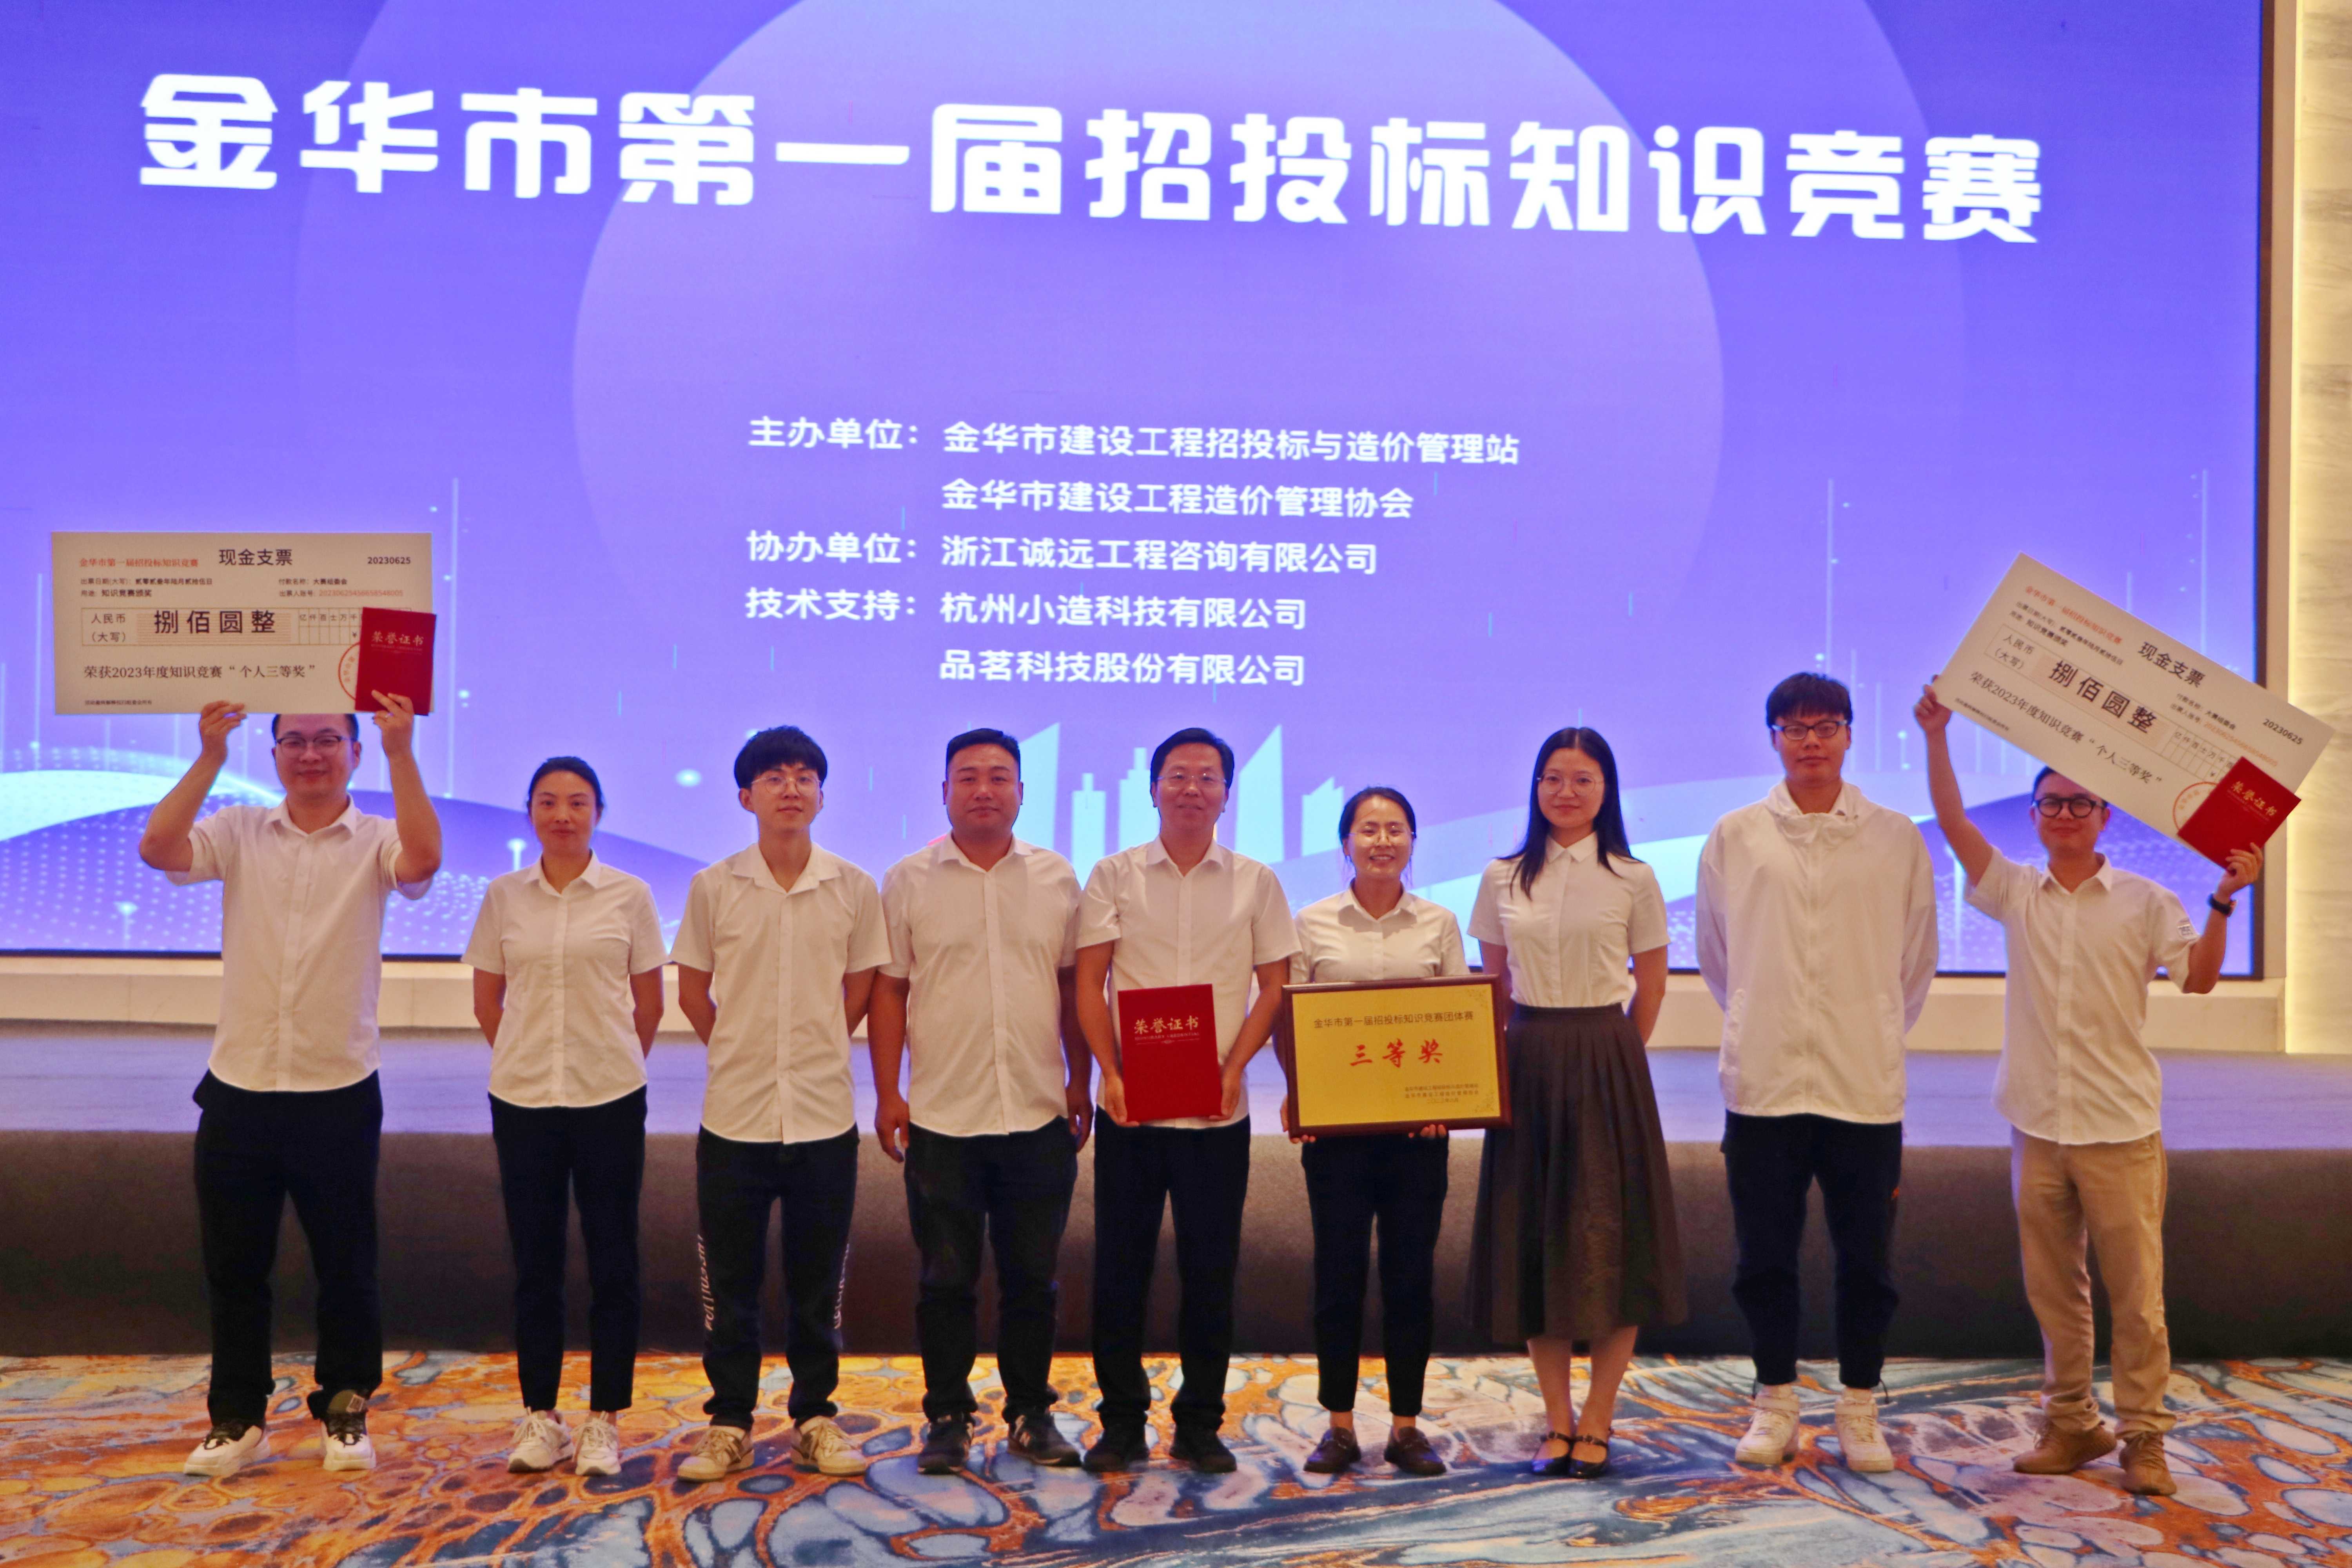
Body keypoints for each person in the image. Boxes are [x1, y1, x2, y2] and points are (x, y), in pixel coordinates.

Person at [1916, 683, 2256, 1497]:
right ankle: (2072, 1423)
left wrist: (2221, 902)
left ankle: (2143, 1436)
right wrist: (1936, 736)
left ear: (2105, 816)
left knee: (2138, 1299)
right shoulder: (2015, 891)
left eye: (2079, 803)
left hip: (2121, 1127)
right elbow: (1955, 825)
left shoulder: (2147, 900)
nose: (2064, 814)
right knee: (2054, 1292)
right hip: (2037, 1122)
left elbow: (2200, 979)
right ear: (2034, 816)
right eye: (2050, 803)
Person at [139, 697, 443, 1478]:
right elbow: (158, 847)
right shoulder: (240, 829)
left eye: (329, 739)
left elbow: (423, 862)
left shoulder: (377, 837)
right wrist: (209, 755)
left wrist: (402, 750)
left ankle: (344, 1407)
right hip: (239, 1085)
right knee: (235, 1267)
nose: (312, 754)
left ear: (354, 752)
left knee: (346, 1265)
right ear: (274, 753)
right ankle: (238, 1417)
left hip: (336, 1086)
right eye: (295, 740)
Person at [1697, 673, 1936, 1474]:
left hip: (1861, 1085)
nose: (1810, 741)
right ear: (1772, 736)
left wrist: (1869, 1027)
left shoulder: (1895, 836)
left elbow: (1916, 960)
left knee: (1867, 1262)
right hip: (1764, 1083)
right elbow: (1718, 955)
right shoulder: (1736, 835)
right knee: (1764, 1259)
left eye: (1826, 725)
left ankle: (1860, 1405)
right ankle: (1775, 1401)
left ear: (1849, 734)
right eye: (1794, 727)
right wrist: (1761, 1017)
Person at [1073, 726, 1298, 1474]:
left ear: (1227, 794)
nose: (1192, 789)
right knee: (1121, 1269)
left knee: (1210, 1271)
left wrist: (1237, 1067)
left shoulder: (1256, 882)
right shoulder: (1113, 875)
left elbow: (1276, 986)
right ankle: (1121, 1422)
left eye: (1207, 777)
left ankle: (1201, 1422)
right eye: (1177, 775)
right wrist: (1109, 1071)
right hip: (1132, 1108)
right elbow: (1090, 983)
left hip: (1216, 1111)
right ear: (1153, 788)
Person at [669, 726, 889, 1484]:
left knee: (817, 1284)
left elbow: (860, 987)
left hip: (824, 1117)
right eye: (774, 777)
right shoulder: (714, 886)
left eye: (804, 776)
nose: (791, 788)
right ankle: (729, 1422)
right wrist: (739, 1048)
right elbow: (693, 989)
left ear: (822, 795)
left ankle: (815, 1419)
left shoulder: (853, 887)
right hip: (735, 1118)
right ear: (746, 797)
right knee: (730, 1286)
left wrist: (818, 1042)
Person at [870, 729, 1091, 1475]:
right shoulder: (907, 880)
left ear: (1022, 792)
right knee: (945, 1280)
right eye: (968, 777)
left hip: (1037, 1109)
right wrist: (889, 1091)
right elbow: (890, 991)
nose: (984, 790)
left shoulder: (1057, 878)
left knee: (1033, 1280)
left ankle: (1030, 1411)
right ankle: (948, 1415)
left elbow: (1072, 986)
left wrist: (1081, 1080)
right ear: (944, 792)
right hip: (943, 1114)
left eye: (1000, 776)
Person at [1468, 730, 1684, 1480]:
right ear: (1536, 787)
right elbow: (1493, 987)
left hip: (1606, 1056)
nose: (1566, 792)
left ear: (1606, 790)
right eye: (1553, 778)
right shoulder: (1501, 877)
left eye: (1583, 779)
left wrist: (1617, 1057)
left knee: (1613, 1241)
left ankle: (1599, 1417)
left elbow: (1652, 984)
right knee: (1535, 1237)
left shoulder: (1634, 877)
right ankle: (1557, 1419)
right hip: (1527, 1056)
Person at [463, 756, 667, 1477]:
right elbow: (488, 1001)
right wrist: (529, 1056)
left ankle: (605, 1419)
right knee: (536, 1262)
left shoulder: (630, 894)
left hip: (610, 1097)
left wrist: (606, 1059)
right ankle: (540, 1417)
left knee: (614, 1260)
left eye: (578, 802)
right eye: (547, 802)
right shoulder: (504, 895)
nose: (562, 815)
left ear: (598, 813)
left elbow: (650, 1005)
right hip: (523, 1101)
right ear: (529, 813)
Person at [1285, 786, 1466, 1479]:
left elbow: (1458, 1020)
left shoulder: (1440, 923)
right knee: (1338, 1279)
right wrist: (1302, 1094)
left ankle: (1406, 1428)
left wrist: (1449, 1097)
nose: (1382, 841)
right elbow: (1289, 1021)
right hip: (1338, 1134)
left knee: (1410, 1280)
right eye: (1368, 829)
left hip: (1418, 1135)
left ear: (1414, 841)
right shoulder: (1312, 923)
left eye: (1395, 829)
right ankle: (1338, 1427)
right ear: (1346, 843)